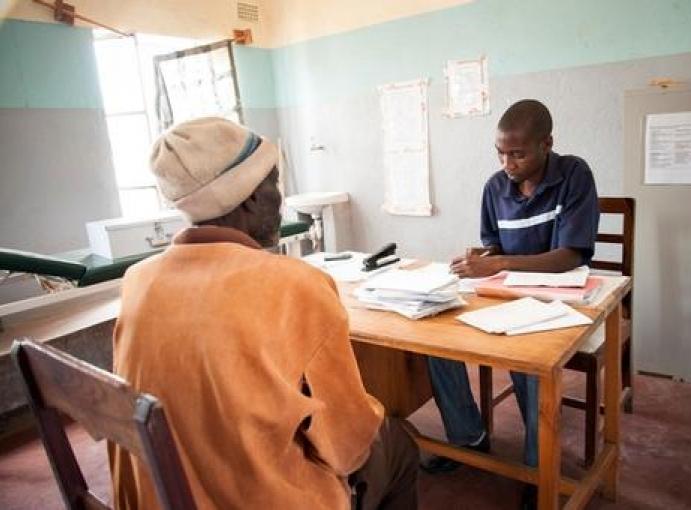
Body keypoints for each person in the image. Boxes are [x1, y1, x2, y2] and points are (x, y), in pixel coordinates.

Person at [109, 117, 418, 510]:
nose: (281, 197)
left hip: (161, 497)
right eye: (274, 182)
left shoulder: (138, 280)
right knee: (399, 442)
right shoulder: (294, 284)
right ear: (251, 197)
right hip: (268, 500)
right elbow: (347, 448)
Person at [423, 99, 599, 506]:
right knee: (436, 339)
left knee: (528, 362)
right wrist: (484, 258)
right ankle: (469, 438)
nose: (508, 163)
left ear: (546, 144)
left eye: (518, 153)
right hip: (507, 293)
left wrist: (500, 262)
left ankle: (538, 469)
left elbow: (570, 255)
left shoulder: (574, 174)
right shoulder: (494, 187)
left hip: (560, 298)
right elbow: (495, 246)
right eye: (501, 153)